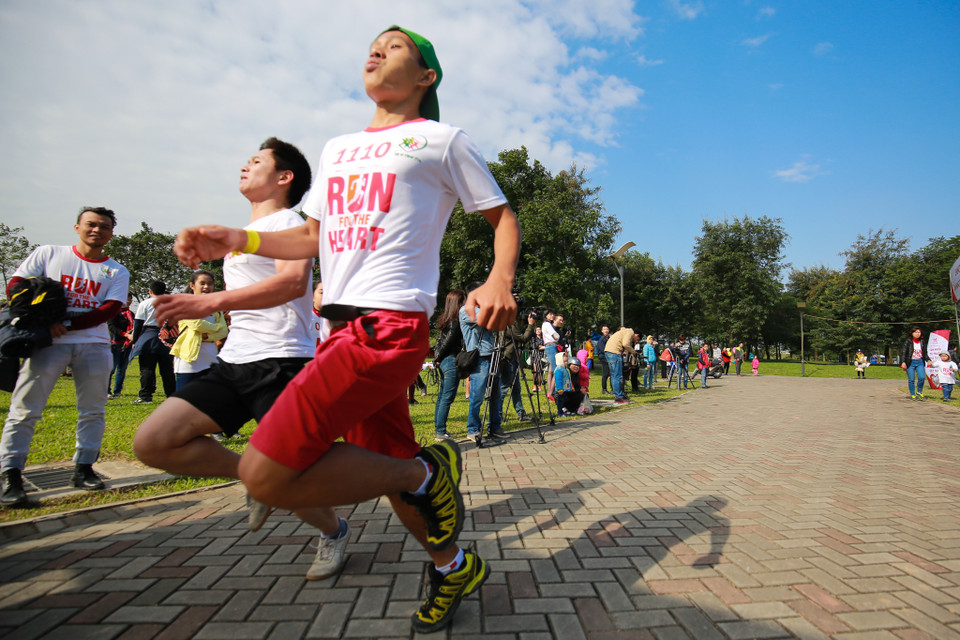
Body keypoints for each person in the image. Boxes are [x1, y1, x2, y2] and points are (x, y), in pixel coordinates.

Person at [160, 26, 521, 634]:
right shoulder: (339, 148)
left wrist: (499, 279)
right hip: (338, 330)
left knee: (262, 474)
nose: (376, 51)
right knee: (382, 459)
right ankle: (450, 562)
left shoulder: (440, 140)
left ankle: (428, 472)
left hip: (387, 329)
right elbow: (312, 236)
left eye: (396, 47)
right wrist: (238, 237)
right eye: (373, 45)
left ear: (426, 77)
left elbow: (502, 215)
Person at [134, 137, 349, 582]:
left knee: (294, 474)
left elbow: (292, 285)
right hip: (233, 362)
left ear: (284, 177)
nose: (244, 166)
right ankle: (254, 477)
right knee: (154, 442)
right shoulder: (242, 237)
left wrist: (209, 304)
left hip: (284, 362)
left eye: (256, 161)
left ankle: (334, 531)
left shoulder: (292, 223)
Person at [1, 207, 129, 507]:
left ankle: (84, 467)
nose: (97, 230)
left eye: (104, 227)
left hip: (94, 343)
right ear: (77, 227)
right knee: (25, 408)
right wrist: (32, 315)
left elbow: (109, 308)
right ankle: (11, 473)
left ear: (111, 233)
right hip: (48, 343)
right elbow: (16, 283)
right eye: (91, 224)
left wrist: (68, 324)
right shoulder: (49, 254)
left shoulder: (116, 270)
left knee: (93, 410)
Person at [461, 282, 507, 443]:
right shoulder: (466, 311)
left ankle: (494, 427)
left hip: (492, 355)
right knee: (477, 395)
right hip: (479, 357)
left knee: (496, 395)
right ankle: (473, 429)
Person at [171, 270, 229, 391]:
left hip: (211, 359)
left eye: (210, 284)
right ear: (192, 285)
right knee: (184, 402)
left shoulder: (216, 308)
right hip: (189, 361)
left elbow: (224, 332)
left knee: (208, 402)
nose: (206, 287)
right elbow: (196, 324)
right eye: (202, 283)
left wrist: (207, 336)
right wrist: (216, 328)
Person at [130, 280, 176, 404]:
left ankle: (145, 396)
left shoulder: (144, 303)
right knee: (167, 370)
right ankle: (171, 395)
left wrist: (135, 341)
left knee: (147, 368)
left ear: (150, 291)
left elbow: (138, 324)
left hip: (148, 336)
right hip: (165, 336)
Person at [432, 289, 465, 440]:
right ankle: (440, 431)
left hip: (444, 361)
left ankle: (439, 428)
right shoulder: (455, 321)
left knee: (442, 395)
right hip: (450, 360)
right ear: (457, 303)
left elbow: (440, 341)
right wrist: (438, 357)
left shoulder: (445, 319)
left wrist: (437, 358)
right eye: (463, 301)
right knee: (447, 397)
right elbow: (447, 342)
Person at [498, 306, 536, 423]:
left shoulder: (512, 323)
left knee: (516, 388)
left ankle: (521, 413)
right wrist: (530, 325)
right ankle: (498, 414)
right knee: (504, 388)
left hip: (513, 359)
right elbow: (523, 338)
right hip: (507, 359)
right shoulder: (508, 324)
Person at [107, 293, 134, 398]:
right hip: (115, 344)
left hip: (127, 345)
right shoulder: (114, 312)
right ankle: (107, 391)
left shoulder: (131, 314)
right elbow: (112, 327)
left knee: (122, 369)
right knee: (111, 368)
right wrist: (125, 334)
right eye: (127, 299)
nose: (129, 301)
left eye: (130, 299)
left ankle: (117, 391)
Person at [604, 326, 635, 404]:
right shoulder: (630, 332)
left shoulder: (623, 332)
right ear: (636, 335)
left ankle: (618, 396)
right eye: (637, 340)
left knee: (614, 375)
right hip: (614, 353)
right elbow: (626, 344)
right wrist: (633, 351)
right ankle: (619, 397)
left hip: (609, 351)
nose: (635, 342)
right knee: (617, 376)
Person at [899, 327, 929, 399]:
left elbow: (925, 353)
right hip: (910, 362)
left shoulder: (922, 342)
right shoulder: (908, 341)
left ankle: (919, 392)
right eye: (915, 332)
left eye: (919, 332)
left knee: (922, 377)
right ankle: (913, 394)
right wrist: (903, 362)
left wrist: (928, 360)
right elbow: (903, 352)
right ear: (912, 333)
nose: (917, 334)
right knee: (911, 379)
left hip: (920, 361)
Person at [541, 310, 560, 400]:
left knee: (550, 370)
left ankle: (550, 392)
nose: (552, 316)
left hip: (549, 346)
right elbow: (555, 335)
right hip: (552, 345)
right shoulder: (547, 324)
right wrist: (558, 337)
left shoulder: (546, 324)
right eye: (550, 314)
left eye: (553, 314)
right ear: (546, 315)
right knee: (556, 369)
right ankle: (551, 392)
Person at [596, 324, 611, 394]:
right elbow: (602, 349)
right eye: (604, 329)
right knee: (605, 373)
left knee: (609, 373)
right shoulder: (602, 339)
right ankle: (604, 389)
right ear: (602, 331)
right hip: (604, 358)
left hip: (608, 357)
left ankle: (612, 388)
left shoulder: (608, 338)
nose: (606, 330)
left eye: (607, 329)